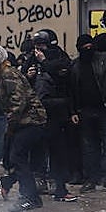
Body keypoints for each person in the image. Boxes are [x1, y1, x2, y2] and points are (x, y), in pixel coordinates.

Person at [0, 44, 47, 212]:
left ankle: (30, 198)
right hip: (24, 122)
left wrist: (11, 125)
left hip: (31, 121)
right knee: (14, 157)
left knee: (17, 156)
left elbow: (19, 102)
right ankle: (18, 188)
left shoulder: (8, 74)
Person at [70, 32, 106, 193]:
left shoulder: (105, 58)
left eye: (90, 47)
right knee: (89, 148)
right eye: (85, 48)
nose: (88, 50)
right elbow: (72, 91)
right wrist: (73, 111)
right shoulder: (75, 66)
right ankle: (91, 179)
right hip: (86, 112)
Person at [30, 29, 77, 202]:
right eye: (36, 45)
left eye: (41, 45)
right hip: (36, 115)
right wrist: (29, 74)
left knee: (58, 153)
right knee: (35, 152)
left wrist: (45, 62)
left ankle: (60, 188)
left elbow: (65, 77)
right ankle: (29, 186)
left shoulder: (59, 57)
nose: (38, 49)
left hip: (55, 115)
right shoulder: (32, 58)